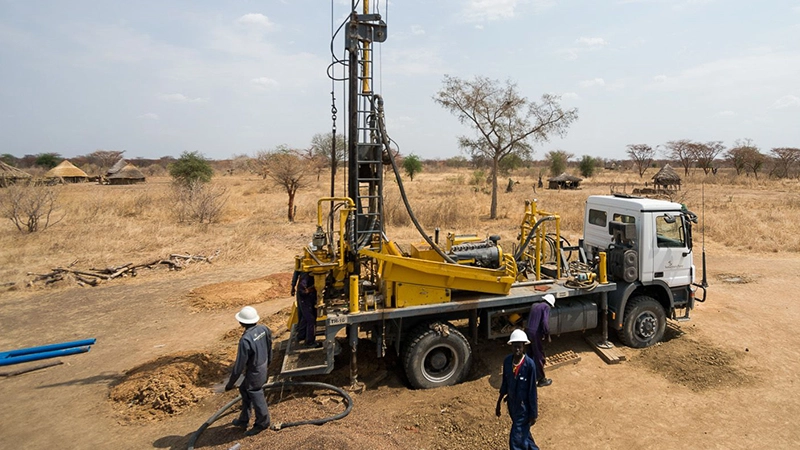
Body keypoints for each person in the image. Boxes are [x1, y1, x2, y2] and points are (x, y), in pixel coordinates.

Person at [225, 306, 273, 436]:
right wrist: (269, 362)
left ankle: (263, 422)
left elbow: (238, 367)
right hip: (263, 366)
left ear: (241, 322)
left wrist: (230, 384)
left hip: (255, 371)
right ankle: (244, 419)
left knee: (255, 391)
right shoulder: (263, 329)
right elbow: (269, 346)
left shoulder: (245, 340)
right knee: (244, 389)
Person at [496, 329, 540, 450]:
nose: (517, 350)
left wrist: (533, 414)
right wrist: (498, 403)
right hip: (512, 406)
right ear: (511, 347)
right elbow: (505, 383)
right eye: (515, 347)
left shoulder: (529, 365)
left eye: (519, 347)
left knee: (515, 440)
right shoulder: (507, 362)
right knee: (524, 435)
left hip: (524, 409)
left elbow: (532, 391)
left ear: (524, 347)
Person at [525, 294, 555, 387]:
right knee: (539, 355)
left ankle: (528, 374)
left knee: (530, 353)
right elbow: (544, 322)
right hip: (535, 333)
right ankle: (541, 379)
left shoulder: (534, 305)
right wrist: (547, 333)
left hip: (528, 331)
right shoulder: (546, 307)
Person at [294, 272, 317, 347]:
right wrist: (312, 289)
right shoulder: (307, 276)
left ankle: (301, 336)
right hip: (305, 300)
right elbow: (302, 290)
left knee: (305, 318)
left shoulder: (308, 273)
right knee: (311, 320)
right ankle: (309, 342)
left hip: (308, 299)